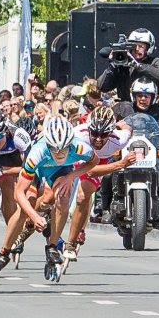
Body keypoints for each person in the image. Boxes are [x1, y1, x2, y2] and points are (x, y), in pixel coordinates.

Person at [0, 116, 99, 284]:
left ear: (71, 144)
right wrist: (34, 216)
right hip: (38, 168)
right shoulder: (36, 153)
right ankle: (3, 253)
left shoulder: (81, 147)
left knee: (63, 197)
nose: (59, 153)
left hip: (60, 170)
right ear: (48, 145)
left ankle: (51, 247)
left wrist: (71, 177)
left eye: (64, 149)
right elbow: (18, 194)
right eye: (54, 149)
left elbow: (93, 161)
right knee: (26, 206)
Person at [64, 107, 134, 263]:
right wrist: (121, 164)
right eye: (94, 133)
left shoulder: (119, 140)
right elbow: (88, 171)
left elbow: (128, 129)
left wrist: (123, 125)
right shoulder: (78, 135)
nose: (98, 139)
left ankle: (70, 243)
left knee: (83, 196)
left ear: (111, 133)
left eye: (104, 135)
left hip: (99, 160)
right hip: (78, 154)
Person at [103, 78, 159, 225]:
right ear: (133, 95)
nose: (143, 99)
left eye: (147, 96)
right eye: (139, 95)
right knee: (108, 173)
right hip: (124, 151)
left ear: (153, 97)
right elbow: (106, 123)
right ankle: (104, 208)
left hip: (151, 152)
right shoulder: (122, 108)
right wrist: (112, 129)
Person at [0, 109, 33, 223]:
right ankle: (12, 229)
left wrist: (4, 170)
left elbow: (30, 169)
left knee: (22, 191)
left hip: (16, 155)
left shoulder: (19, 136)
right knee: (7, 191)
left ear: (6, 132)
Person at [97, 28, 159, 102]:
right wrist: (113, 66)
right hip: (126, 107)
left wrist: (137, 65)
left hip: (149, 108)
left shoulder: (154, 61)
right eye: (133, 46)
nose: (137, 49)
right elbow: (102, 87)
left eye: (141, 46)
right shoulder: (122, 64)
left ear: (148, 49)